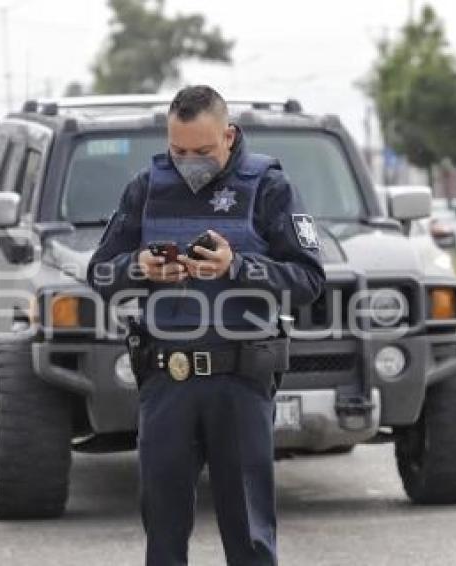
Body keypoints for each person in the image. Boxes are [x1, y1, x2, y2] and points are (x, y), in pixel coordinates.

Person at [87, 85, 325, 566]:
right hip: (165, 381)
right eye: (178, 151)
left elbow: (309, 280)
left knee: (249, 535)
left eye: (202, 151)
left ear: (229, 135)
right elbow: (99, 273)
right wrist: (141, 267)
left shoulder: (269, 188)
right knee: (164, 531)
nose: (189, 161)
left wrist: (236, 266)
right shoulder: (146, 188)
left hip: (239, 382)